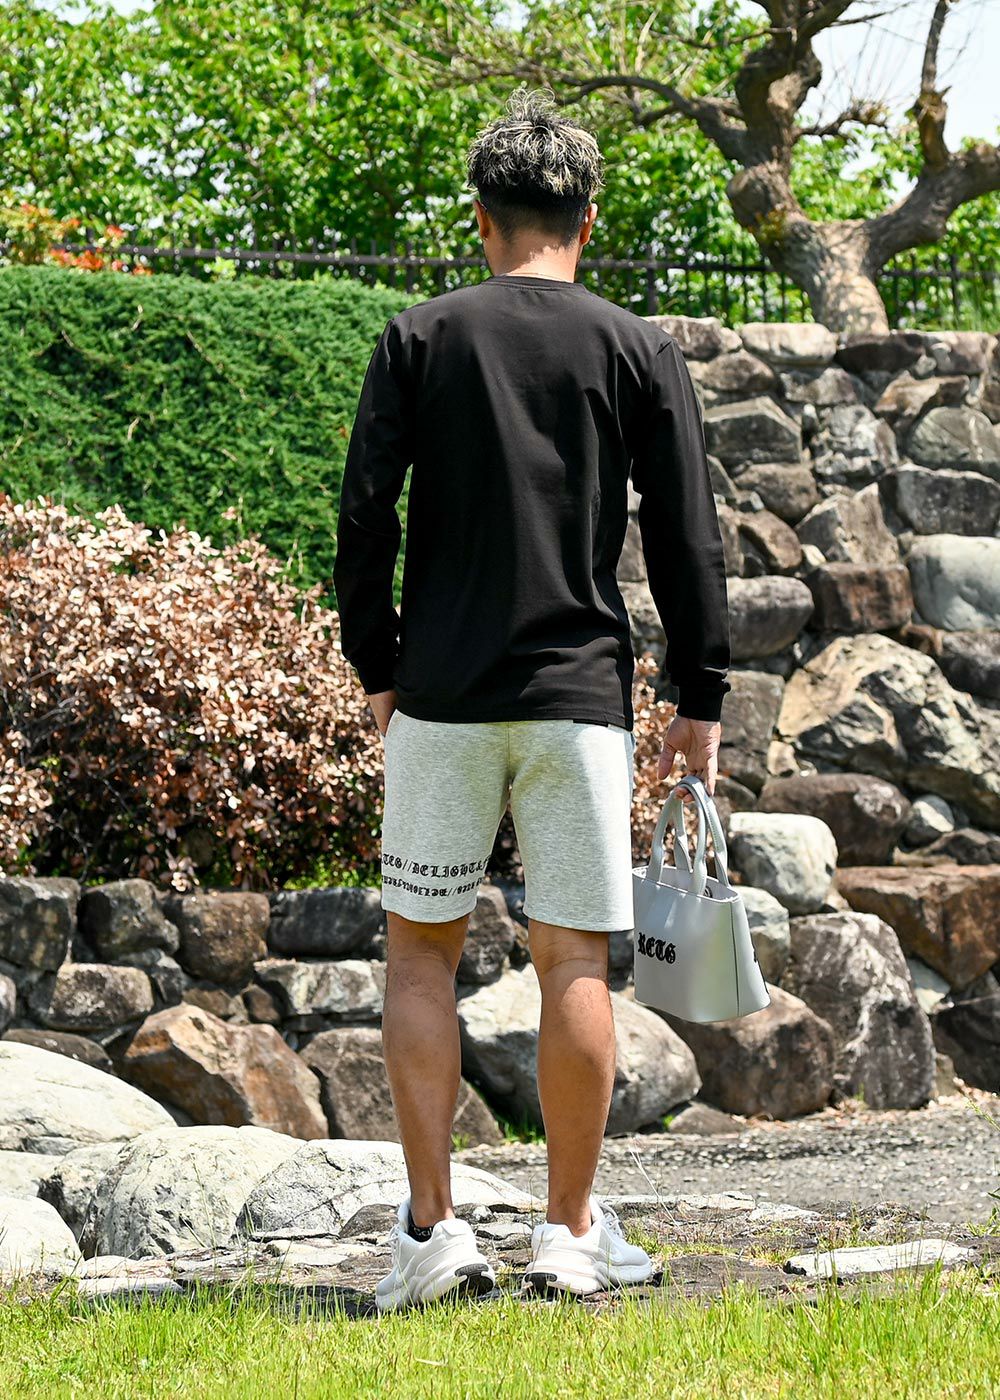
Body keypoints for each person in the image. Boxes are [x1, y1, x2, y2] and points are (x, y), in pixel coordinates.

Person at [333, 85, 730, 1311]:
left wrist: (377, 666)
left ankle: (433, 1230)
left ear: (480, 216)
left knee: (420, 950)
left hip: (442, 694)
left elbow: (363, 520)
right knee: (574, 959)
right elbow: (687, 533)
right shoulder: (635, 346)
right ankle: (567, 1231)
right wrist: (701, 695)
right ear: (587, 220)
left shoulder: (417, 335)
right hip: (578, 698)